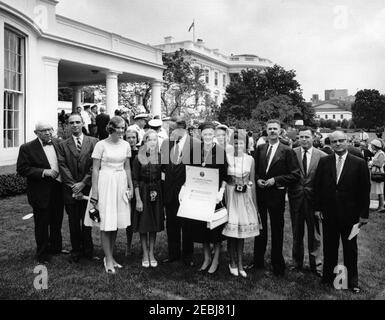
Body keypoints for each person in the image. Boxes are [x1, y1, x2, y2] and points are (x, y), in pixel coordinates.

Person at [314, 131, 370, 293]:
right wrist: (317, 209)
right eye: (334, 141)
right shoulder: (324, 162)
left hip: (351, 217)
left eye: (340, 140)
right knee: (329, 247)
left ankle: (352, 281)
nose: (337, 144)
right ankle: (327, 278)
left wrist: (363, 215)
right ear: (330, 144)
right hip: (329, 214)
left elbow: (364, 191)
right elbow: (318, 186)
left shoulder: (358, 163)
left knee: (350, 248)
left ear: (347, 142)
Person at [85, 116, 134, 274]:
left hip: (120, 183)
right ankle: (108, 259)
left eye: (123, 128)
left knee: (115, 223)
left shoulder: (126, 144)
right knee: (106, 223)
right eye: (118, 127)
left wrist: (130, 187)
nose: (121, 130)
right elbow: (95, 169)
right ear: (111, 128)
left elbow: (127, 168)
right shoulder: (100, 145)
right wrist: (95, 192)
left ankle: (110, 257)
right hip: (105, 183)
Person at [251, 119, 300, 276]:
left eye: (275, 129)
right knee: (260, 228)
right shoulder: (260, 148)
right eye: (270, 128)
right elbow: (256, 170)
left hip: (276, 195)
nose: (272, 131)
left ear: (280, 131)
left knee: (277, 230)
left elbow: (295, 175)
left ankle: (277, 264)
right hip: (261, 194)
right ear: (266, 130)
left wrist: (276, 180)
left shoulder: (287, 151)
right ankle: (257, 261)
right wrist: (257, 179)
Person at [182, 122, 228, 274]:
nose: (208, 136)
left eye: (210, 134)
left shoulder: (219, 151)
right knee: (202, 229)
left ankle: (216, 260)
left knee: (215, 229)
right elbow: (190, 171)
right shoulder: (196, 150)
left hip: (214, 195)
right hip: (199, 194)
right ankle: (207, 258)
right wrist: (184, 188)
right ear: (200, 134)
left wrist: (221, 191)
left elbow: (225, 175)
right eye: (205, 134)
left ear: (213, 135)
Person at [16, 121, 65, 263]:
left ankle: (56, 248)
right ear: (36, 133)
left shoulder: (58, 143)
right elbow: (22, 169)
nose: (48, 132)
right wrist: (44, 172)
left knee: (57, 220)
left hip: (58, 188)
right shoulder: (27, 148)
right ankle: (42, 253)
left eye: (50, 129)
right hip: (40, 191)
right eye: (44, 130)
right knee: (42, 223)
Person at [57, 113, 98, 262]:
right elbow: (62, 165)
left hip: (87, 188)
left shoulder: (94, 141)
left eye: (77, 122)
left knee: (87, 221)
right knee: (73, 221)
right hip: (70, 189)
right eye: (71, 122)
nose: (74, 125)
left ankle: (88, 250)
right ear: (68, 125)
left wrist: (83, 183)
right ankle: (76, 251)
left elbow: (95, 165)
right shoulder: (62, 145)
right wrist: (74, 185)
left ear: (82, 123)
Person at [160, 117, 200, 266]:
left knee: (187, 225)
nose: (171, 133)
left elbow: (196, 170)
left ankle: (188, 256)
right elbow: (164, 168)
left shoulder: (195, 144)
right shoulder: (166, 144)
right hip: (170, 191)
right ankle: (173, 254)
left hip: (187, 191)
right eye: (170, 130)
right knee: (172, 225)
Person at [288, 127, 326, 276]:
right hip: (296, 198)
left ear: (313, 138)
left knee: (315, 234)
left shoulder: (322, 156)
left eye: (307, 137)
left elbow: (324, 181)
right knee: (297, 232)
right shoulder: (292, 153)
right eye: (301, 137)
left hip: (313, 201)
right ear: (298, 138)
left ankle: (316, 265)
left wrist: (321, 204)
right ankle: (296, 262)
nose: (304, 139)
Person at [222, 130, 260, 278]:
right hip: (230, 195)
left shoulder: (250, 159)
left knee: (241, 233)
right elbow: (223, 178)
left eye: (241, 143)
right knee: (231, 232)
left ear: (246, 144)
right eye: (235, 142)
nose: (238, 145)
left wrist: (255, 204)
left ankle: (240, 263)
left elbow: (252, 182)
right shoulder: (227, 157)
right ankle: (232, 262)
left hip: (244, 196)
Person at [132, 130, 164, 268]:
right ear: (144, 141)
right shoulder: (138, 157)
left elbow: (163, 174)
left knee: (154, 224)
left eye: (155, 139)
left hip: (156, 192)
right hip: (143, 191)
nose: (152, 142)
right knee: (144, 224)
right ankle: (145, 253)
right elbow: (135, 179)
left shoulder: (160, 156)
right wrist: (138, 199)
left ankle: (152, 253)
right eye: (149, 139)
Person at [125, 129, 139, 256]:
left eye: (133, 137)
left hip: (139, 187)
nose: (131, 140)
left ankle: (142, 244)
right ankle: (128, 245)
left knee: (139, 215)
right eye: (128, 137)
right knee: (128, 217)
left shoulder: (141, 152)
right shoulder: (123, 152)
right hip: (126, 186)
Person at [368, 139, 385, 212]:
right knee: (378, 191)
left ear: (375, 146)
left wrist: (372, 163)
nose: (371, 146)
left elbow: (380, 164)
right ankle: (380, 206)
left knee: (380, 191)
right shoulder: (377, 153)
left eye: (372, 145)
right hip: (375, 173)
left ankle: (381, 207)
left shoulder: (381, 153)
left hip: (379, 174)